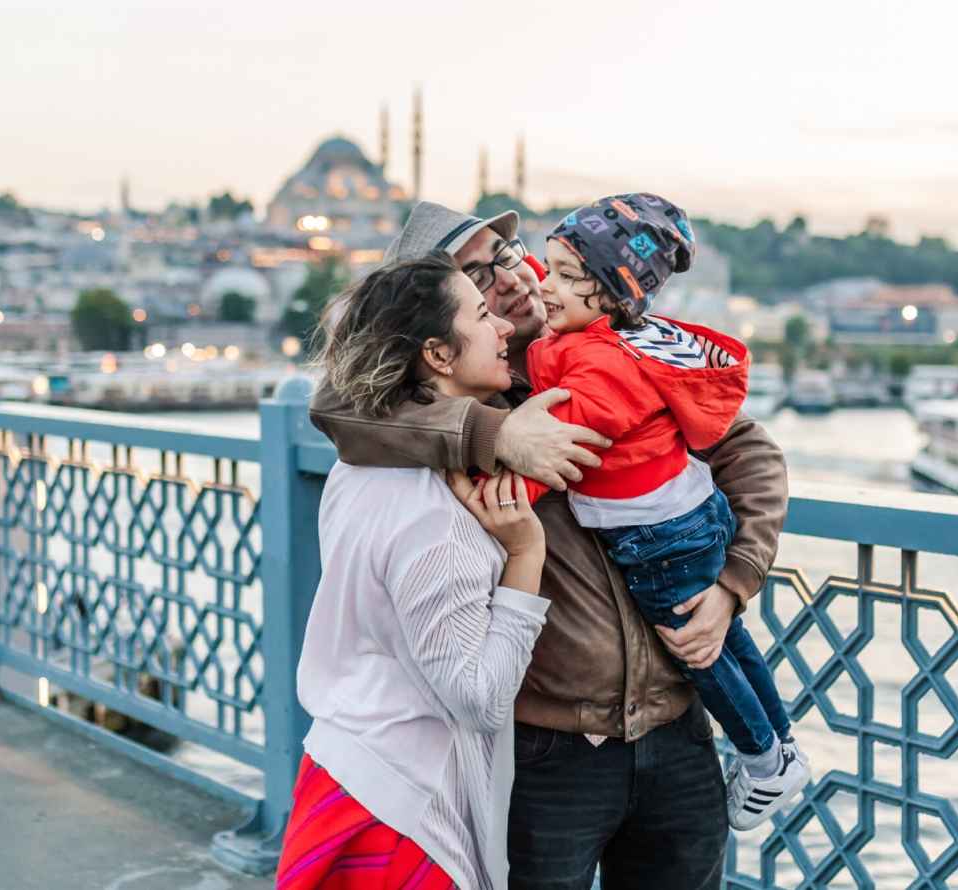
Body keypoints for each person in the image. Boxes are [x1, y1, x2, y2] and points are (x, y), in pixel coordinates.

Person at [308, 202, 790, 890]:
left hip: (678, 721)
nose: (507, 281)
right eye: (475, 276)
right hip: (548, 746)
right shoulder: (465, 393)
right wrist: (494, 434)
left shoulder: (622, 345)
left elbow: (753, 456)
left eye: (507, 256)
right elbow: (338, 407)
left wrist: (733, 585)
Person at [525, 193, 809, 829]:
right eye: (542, 269)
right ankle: (780, 743)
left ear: (613, 292)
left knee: (698, 646)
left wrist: (733, 585)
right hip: (683, 517)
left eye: (565, 277)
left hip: (655, 538)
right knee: (723, 642)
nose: (543, 287)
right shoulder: (619, 343)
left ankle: (764, 759)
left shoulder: (596, 359)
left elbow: (564, 444)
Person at [278, 251, 551, 890]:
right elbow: (478, 699)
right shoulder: (435, 515)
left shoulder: (358, 468)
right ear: (438, 354)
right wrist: (524, 557)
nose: (504, 327)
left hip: (345, 768)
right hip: (405, 811)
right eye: (483, 315)